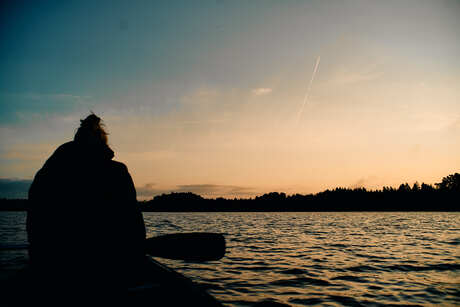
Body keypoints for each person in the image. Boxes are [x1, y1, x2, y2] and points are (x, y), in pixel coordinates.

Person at [25, 113, 146, 303]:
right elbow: (133, 224)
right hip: (106, 269)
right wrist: (136, 259)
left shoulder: (51, 170)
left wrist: (39, 258)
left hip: (52, 267)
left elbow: (34, 216)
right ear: (102, 144)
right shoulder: (118, 172)